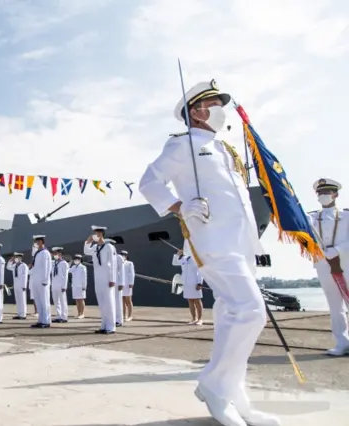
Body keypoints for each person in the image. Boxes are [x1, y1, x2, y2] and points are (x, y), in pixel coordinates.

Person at [138, 79, 279, 426]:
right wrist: (179, 206)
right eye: (214, 104)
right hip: (213, 239)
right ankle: (214, 385)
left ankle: (234, 393)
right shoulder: (183, 145)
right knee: (251, 311)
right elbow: (149, 181)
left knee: (232, 315)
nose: (221, 110)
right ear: (197, 112)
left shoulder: (224, 149)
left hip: (241, 241)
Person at [308, 178, 349, 356]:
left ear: (336, 194)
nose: (323, 196)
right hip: (323, 265)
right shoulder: (311, 217)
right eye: (320, 193)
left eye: (327, 192)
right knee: (335, 306)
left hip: (345, 263)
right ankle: (342, 343)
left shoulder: (347, 216)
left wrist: (337, 250)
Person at [84, 226, 117, 334]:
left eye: (97, 233)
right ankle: (104, 325)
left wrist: (112, 279)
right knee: (101, 302)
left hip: (107, 277)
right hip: (98, 277)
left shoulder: (109, 247)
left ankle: (111, 327)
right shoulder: (95, 247)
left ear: (101, 234)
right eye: (94, 233)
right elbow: (86, 251)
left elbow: (113, 264)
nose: (94, 235)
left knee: (109, 302)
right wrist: (88, 242)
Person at [172, 248, 204, 325]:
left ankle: (200, 319)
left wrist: (200, 283)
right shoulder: (184, 258)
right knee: (190, 301)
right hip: (186, 283)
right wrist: (177, 255)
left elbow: (200, 271)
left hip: (194, 282)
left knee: (197, 301)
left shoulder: (196, 258)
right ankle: (194, 318)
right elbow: (175, 263)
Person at [30, 234, 52, 328]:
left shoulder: (45, 253)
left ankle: (46, 321)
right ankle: (40, 320)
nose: (36, 243)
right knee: (38, 301)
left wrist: (45, 280)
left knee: (44, 301)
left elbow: (47, 267)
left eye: (38, 242)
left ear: (42, 242)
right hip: (36, 280)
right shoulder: (37, 253)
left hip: (43, 281)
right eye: (35, 242)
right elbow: (35, 267)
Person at [7, 252, 28, 320]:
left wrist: (24, 286)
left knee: (22, 300)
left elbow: (25, 276)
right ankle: (19, 313)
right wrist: (10, 260)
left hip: (21, 285)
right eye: (15, 257)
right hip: (16, 285)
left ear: (20, 258)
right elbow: (8, 267)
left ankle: (23, 314)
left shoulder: (23, 265)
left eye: (16, 257)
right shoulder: (14, 265)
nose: (15, 258)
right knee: (18, 299)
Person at [51, 247, 69, 323]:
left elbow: (65, 275)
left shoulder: (64, 263)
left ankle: (64, 317)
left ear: (60, 254)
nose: (54, 255)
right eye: (54, 253)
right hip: (54, 284)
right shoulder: (53, 263)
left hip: (61, 285)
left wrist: (64, 286)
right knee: (56, 301)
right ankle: (58, 316)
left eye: (56, 253)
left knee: (62, 301)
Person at [69, 254, 87, 319]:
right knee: (77, 300)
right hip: (75, 286)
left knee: (81, 299)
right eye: (75, 259)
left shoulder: (83, 267)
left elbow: (84, 277)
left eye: (77, 259)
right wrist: (69, 263)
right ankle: (78, 313)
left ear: (80, 260)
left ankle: (82, 313)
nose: (76, 260)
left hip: (81, 286)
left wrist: (84, 286)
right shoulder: (73, 267)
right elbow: (68, 270)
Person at [120, 251, 136, 321]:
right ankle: (123, 315)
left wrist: (131, 283)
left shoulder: (130, 263)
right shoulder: (118, 263)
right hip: (121, 284)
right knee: (122, 301)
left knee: (128, 300)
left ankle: (130, 315)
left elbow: (132, 274)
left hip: (127, 284)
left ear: (126, 256)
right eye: (121, 255)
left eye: (124, 255)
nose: (122, 256)